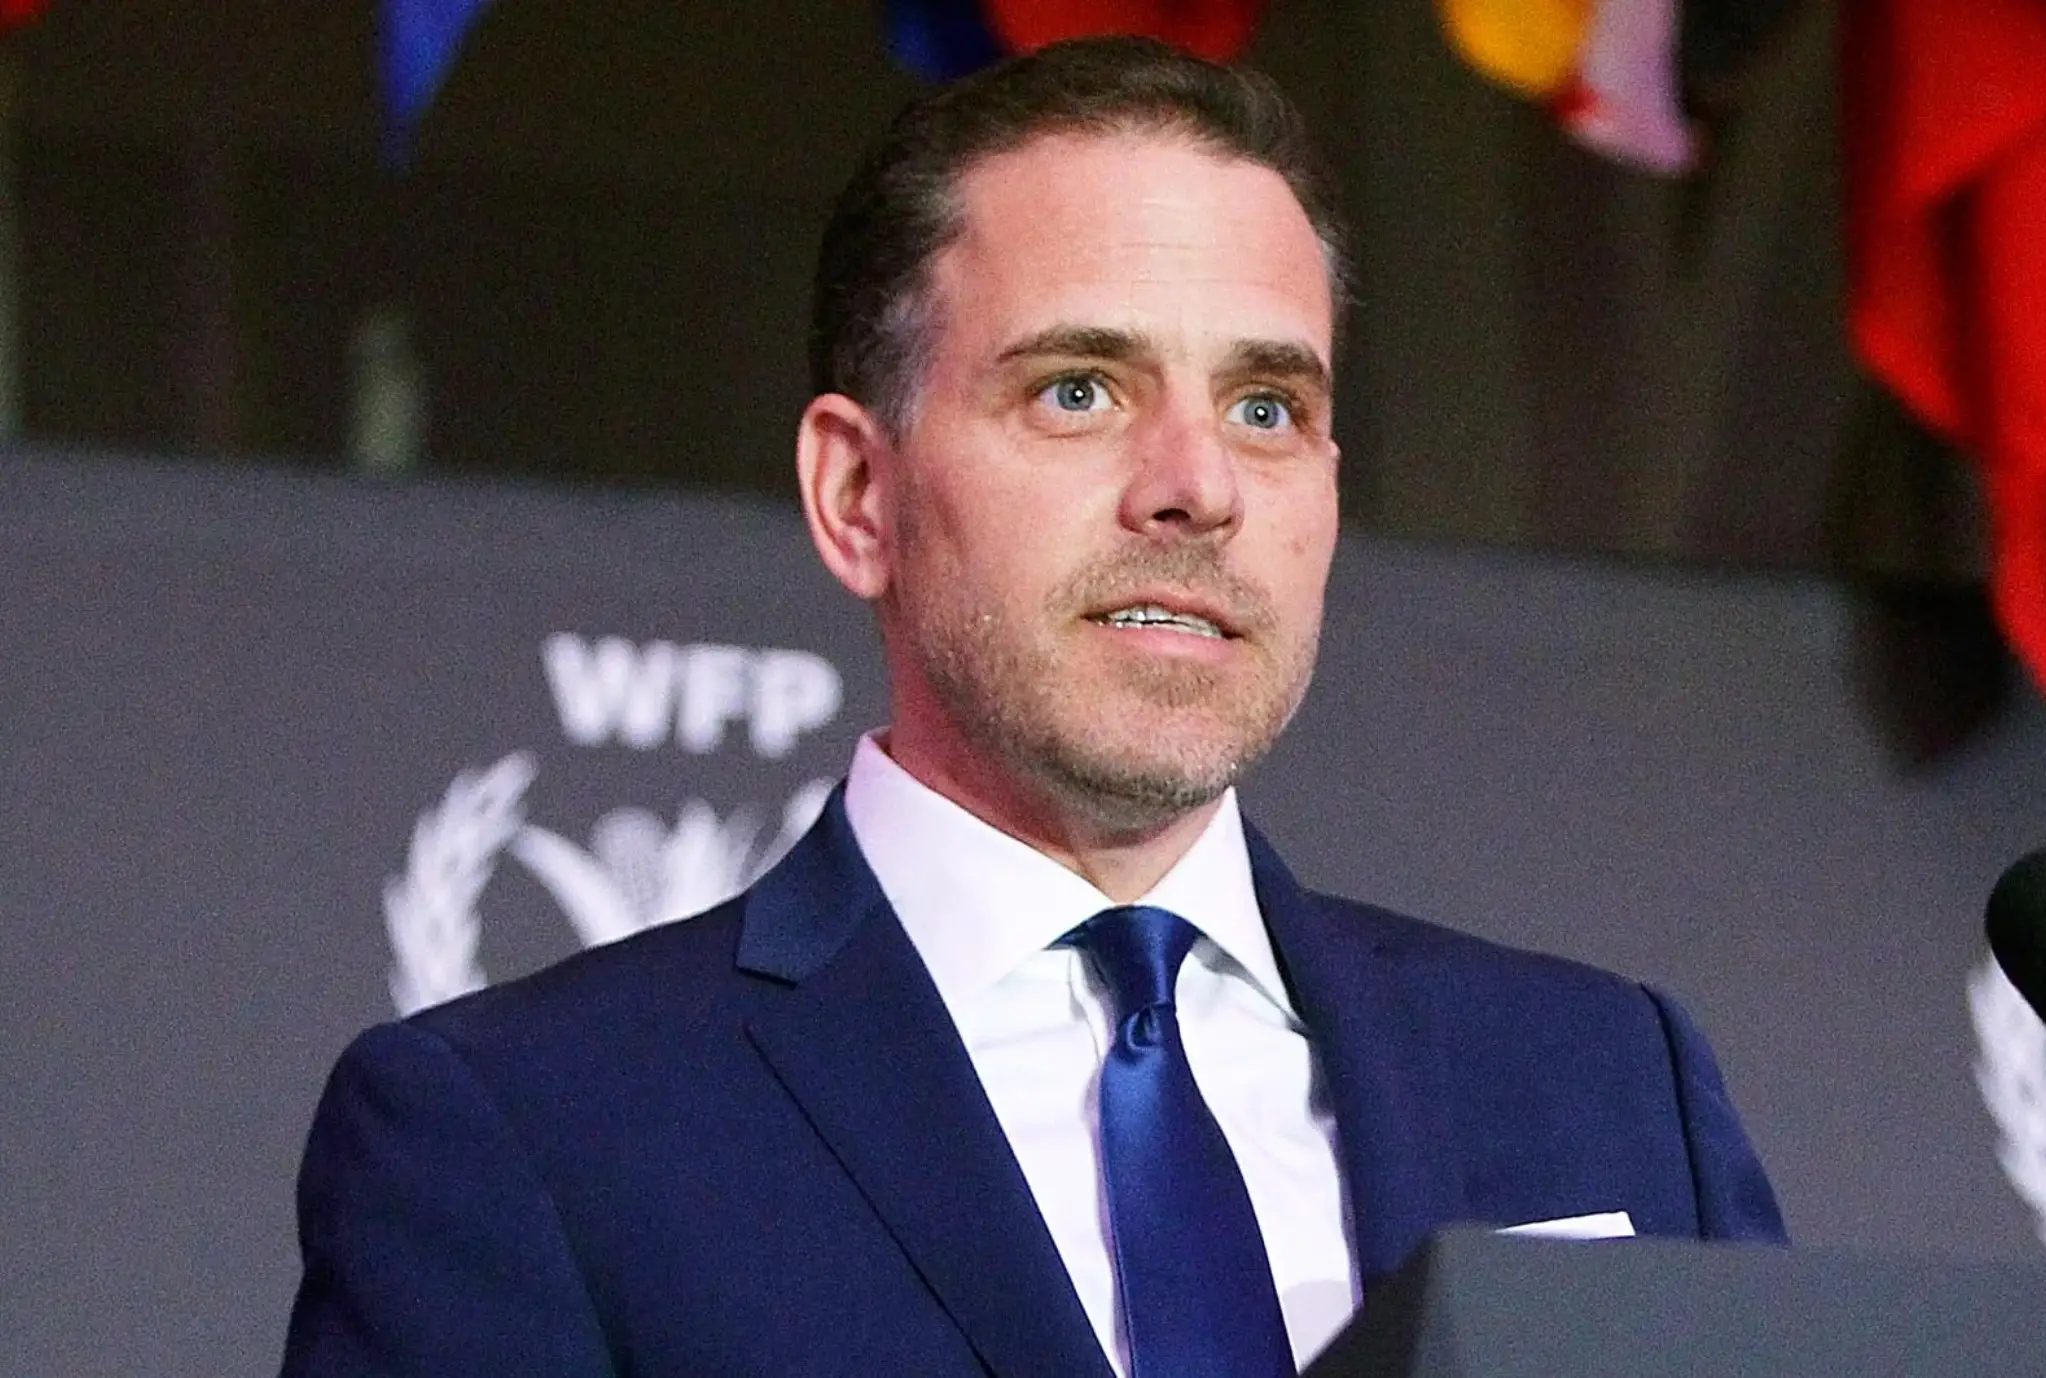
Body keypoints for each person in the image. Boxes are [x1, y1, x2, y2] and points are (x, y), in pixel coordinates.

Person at [278, 35, 1782, 1378]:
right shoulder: (530, 1134)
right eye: (1079, 389)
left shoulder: (1606, 1081)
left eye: (1268, 407)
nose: (1198, 485)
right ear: (856, 494)